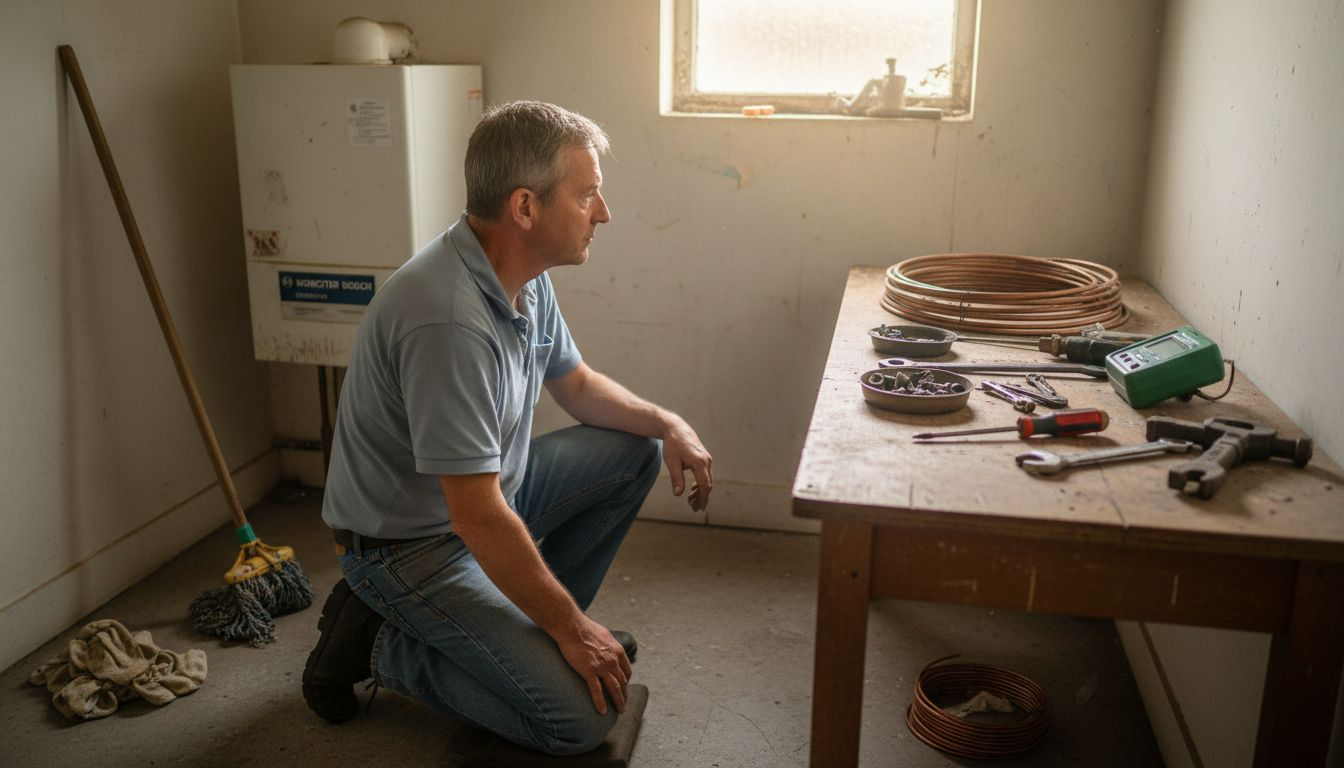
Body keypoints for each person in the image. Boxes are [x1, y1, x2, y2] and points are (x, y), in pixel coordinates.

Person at [301, 100, 714, 756]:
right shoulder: (447, 320)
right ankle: (378, 643)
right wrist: (575, 629)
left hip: (485, 502)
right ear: (526, 208)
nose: (602, 214)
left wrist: (668, 423)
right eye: (588, 197)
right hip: (407, 547)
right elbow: (477, 517)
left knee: (634, 450)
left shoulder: (519, 273)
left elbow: (576, 385)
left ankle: (531, 639)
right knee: (577, 722)